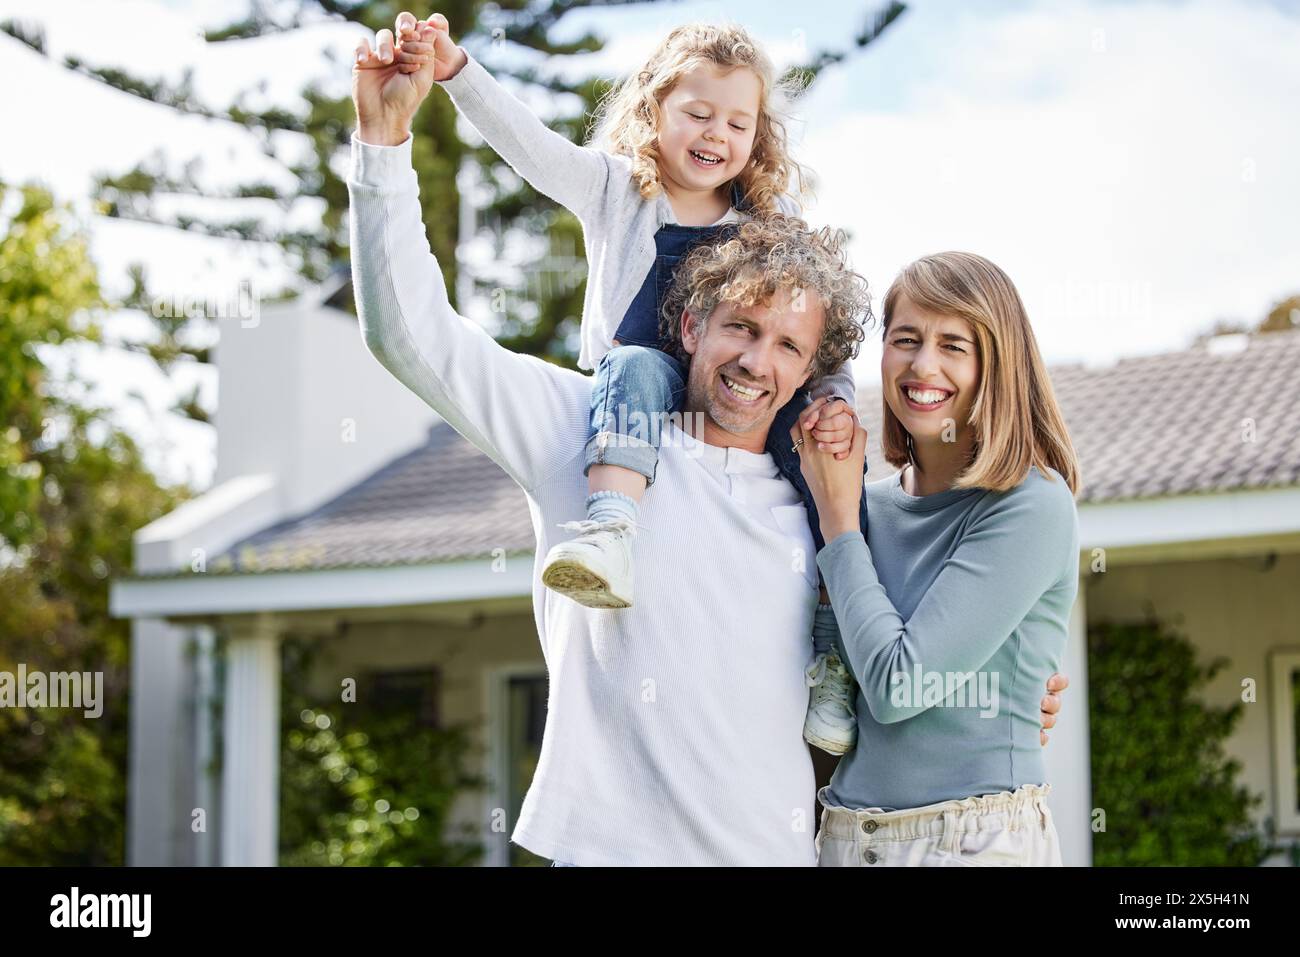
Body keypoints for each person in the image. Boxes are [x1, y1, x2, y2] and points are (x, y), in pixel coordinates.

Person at [349, 15, 1070, 865]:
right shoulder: (583, 434)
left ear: (814, 367)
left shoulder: (830, 504)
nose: (757, 361)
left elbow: (905, 666)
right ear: (690, 322)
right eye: (740, 325)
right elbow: (410, 335)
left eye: (789, 344)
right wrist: (384, 144)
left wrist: (1012, 701)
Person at [357, 14, 865, 754]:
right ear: (653, 109)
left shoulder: (769, 222)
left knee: (831, 479)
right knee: (633, 367)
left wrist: (838, 399)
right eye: (696, 113)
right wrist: (456, 69)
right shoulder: (617, 189)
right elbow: (530, 146)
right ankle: (610, 533)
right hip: (639, 387)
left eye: (737, 122)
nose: (715, 134)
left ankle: (833, 654)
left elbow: (816, 319)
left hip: (744, 409)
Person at [792, 251, 1081, 866]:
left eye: (955, 345)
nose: (924, 365)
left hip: (969, 843)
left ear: (996, 365)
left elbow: (902, 685)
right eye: (906, 339)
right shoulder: (856, 504)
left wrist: (839, 526)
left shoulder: (1031, 504)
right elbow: (818, 694)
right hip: (844, 839)